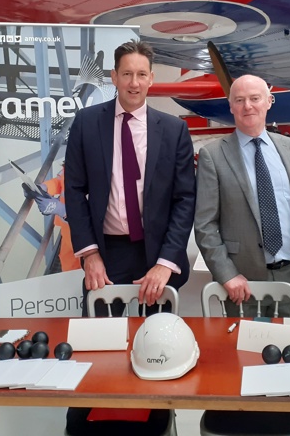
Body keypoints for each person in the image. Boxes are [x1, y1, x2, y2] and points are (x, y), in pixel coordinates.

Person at [64, 39, 196, 314]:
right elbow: (75, 190)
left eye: (141, 75)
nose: (134, 83)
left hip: (157, 251)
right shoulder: (87, 123)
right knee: (101, 342)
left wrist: (165, 263)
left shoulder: (174, 130)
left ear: (151, 79)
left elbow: (184, 199)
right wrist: (90, 254)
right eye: (126, 74)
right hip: (105, 252)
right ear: (114, 77)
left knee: (156, 344)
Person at [194, 74, 290, 318]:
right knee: (246, 353)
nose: (248, 106)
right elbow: (205, 225)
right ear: (231, 106)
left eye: (255, 98)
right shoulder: (212, 156)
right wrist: (227, 274)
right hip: (242, 284)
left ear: (269, 101)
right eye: (239, 100)